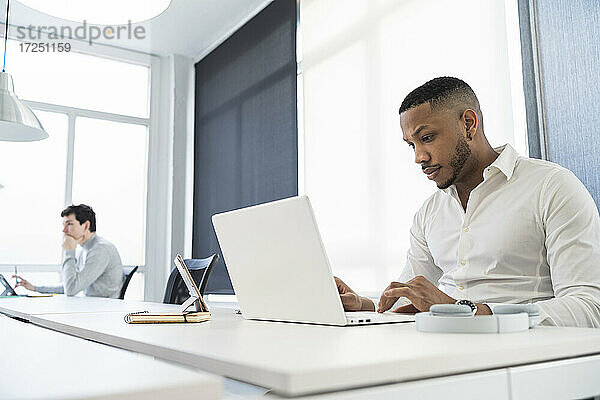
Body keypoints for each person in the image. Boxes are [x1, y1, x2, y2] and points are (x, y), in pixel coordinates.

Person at [335, 76, 600, 328]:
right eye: (411, 145)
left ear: (468, 124)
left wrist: (469, 311)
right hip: (441, 351)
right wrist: (365, 305)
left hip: (521, 358)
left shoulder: (551, 187)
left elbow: (589, 308)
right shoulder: (429, 212)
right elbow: (407, 298)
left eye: (426, 138)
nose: (419, 157)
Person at [14, 204, 124, 298]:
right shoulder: (85, 248)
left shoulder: (100, 249)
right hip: (92, 306)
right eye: (64, 225)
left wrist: (69, 251)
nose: (64, 230)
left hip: (104, 311)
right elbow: (69, 285)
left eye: (69, 224)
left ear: (86, 225)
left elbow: (71, 289)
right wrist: (34, 288)